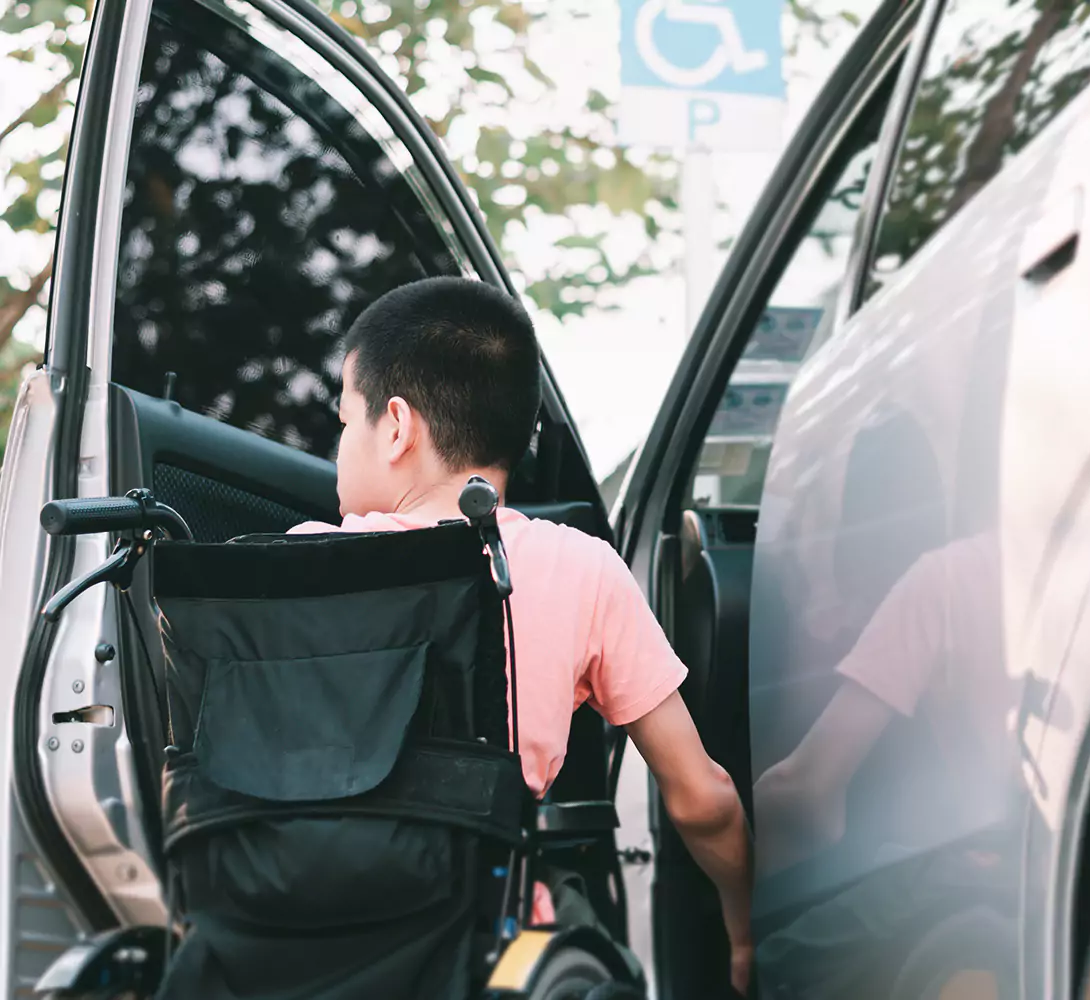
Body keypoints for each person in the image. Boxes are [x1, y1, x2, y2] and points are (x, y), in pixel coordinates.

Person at [287, 276, 755, 994]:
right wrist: (744, 927)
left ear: (398, 427)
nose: (338, 444)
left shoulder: (295, 563)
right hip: (492, 952)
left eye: (347, 420)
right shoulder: (579, 567)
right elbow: (700, 797)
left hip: (298, 939)